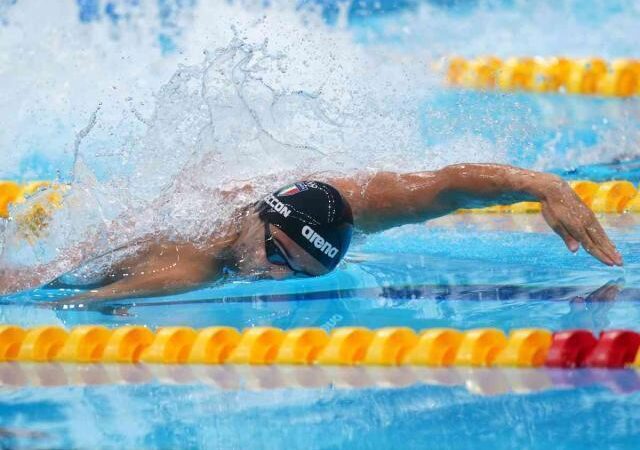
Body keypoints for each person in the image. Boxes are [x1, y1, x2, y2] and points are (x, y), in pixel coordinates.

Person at [0, 163, 623, 303]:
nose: (273, 273)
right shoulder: (192, 267)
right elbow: (55, 301)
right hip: (49, 223)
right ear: (260, 217)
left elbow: (447, 186)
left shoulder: (333, 205)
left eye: (298, 271)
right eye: (275, 253)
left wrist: (545, 186)